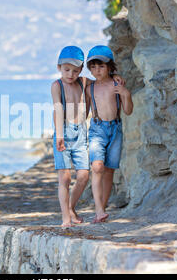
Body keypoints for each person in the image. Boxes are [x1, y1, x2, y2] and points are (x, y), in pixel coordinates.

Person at [85, 45, 133, 223]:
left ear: (110, 67)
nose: (97, 71)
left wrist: (126, 95)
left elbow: (128, 111)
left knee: (109, 171)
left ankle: (102, 210)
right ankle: (98, 210)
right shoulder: (89, 87)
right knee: (97, 167)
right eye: (93, 67)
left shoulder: (117, 84)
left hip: (115, 129)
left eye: (102, 66)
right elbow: (84, 112)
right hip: (97, 129)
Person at [51, 45, 90, 228]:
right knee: (65, 178)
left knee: (83, 175)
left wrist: (116, 79)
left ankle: (71, 207)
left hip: (81, 132)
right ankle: (66, 217)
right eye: (67, 70)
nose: (70, 74)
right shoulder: (56, 86)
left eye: (75, 71)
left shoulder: (83, 82)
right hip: (64, 132)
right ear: (59, 67)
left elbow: (101, 81)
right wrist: (59, 135)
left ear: (81, 70)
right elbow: (58, 108)